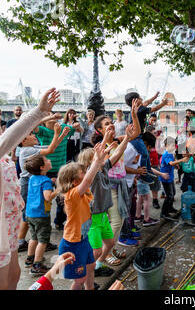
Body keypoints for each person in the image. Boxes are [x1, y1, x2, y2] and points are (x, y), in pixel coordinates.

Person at [0, 87, 60, 290]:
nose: (1, 135)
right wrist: (39, 111)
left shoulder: (3, 159)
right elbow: (12, 135)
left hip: (8, 235)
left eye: (1, 130)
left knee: (15, 276)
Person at [89, 105, 141, 264]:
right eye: (106, 124)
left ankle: (110, 247)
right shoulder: (99, 148)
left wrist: (134, 114)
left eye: (111, 122)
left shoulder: (118, 140)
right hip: (108, 188)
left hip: (121, 185)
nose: (110, 124)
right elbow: (104, 166)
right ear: (99, 130)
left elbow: (136, 132)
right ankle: (106, 254)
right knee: (116, 220)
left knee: (114, 220)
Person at [56, 142, 107, 290]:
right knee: (80, 279)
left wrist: (99, 159)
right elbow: (88, 180)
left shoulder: (83, 193)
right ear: (74, 181)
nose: (85, 174)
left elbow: (88, 180)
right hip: (72, 245)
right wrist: (96, 161)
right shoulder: (71, 196)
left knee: (90, 266)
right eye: (82, 173)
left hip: (83, 240)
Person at [17, 122, 69, 253]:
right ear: (23, 140)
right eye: (30, 134)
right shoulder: (28, 150)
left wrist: (62, 135)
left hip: (32, 183)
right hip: (26, 184)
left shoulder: (34, 148)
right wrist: (58, 188)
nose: (33, 134)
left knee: (30, 216)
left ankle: (34, 245)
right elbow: (51, 150)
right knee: (27, 215)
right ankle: (23, 242)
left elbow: (53, 146)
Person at [34, 110, 77, 230]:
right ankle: (43, 225)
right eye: (47, 116)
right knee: (46, 198)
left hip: (61, 170)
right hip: (45, 170)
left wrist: (73, 122)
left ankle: (59, 221)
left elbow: (75, 127)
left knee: (63, 198)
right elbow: (34, 125)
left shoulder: (63, 127)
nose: (51, 118)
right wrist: (48, 117)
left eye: (52, 115)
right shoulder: (42, 131)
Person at [24, 154, 61, 277]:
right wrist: (58, 189)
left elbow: (38, 188)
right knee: (43, 240)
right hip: (41, 215)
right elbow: (48, 197)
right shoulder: (45, 181)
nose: (50, 160)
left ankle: (29, 259)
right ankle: (37, 265)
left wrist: (50, 182)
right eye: (47, 160)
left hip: (30, 213)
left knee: (33, 237)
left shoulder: (33, 178)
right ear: (42, 167)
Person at [125, 91, 169, 184]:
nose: (142, 99)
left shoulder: (139, 108)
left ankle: (148, 172)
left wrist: (154, 96)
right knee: (144, 154)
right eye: (140, 98)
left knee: (146, 154)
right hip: (135, 136)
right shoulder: (140, 109)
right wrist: (164, 103)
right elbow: (154, 108)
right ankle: (144, 175)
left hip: (138, 135)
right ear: (136, 101)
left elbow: (146, 102)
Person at [135, 131, 169, 226]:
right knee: (147, 199)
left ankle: (137, 216)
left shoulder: (138, 151)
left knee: (140, 199)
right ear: (145, 143)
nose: (149, 150)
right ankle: (146, 219)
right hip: (142, 180)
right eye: (149, 147)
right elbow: (149, 169)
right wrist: (161, 174)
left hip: (138, 180)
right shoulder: (143, 155)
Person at [160, 136, 189, 219]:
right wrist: (181, 160)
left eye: (174, 145)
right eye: (172, 146)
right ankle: (163, 213)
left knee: (173, 193)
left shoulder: (170, 154)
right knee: (169, 195)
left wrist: (176, 165)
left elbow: (172, 164)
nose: (174, 147)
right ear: (166, 145)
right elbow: (171, 163)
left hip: (170, 177)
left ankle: (170, 207)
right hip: (166, 178)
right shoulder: (166, 154)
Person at [145, 125, 162, 209]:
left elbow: (158, 153)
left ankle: (155, 200)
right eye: (154, 133)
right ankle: (143, 202)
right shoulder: (145, 145)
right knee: (145, 186)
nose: (156, 134)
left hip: (156, 166)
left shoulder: (155, 142)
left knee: (155, 185)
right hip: (149, 167)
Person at [7, 106, 23, 178]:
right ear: (14, 111)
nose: (18, 111)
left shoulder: (24, 121)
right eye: (17, 110)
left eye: (20, 110)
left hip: (23, 144)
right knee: (16, 164)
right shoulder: (10, 122)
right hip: (15, 145)